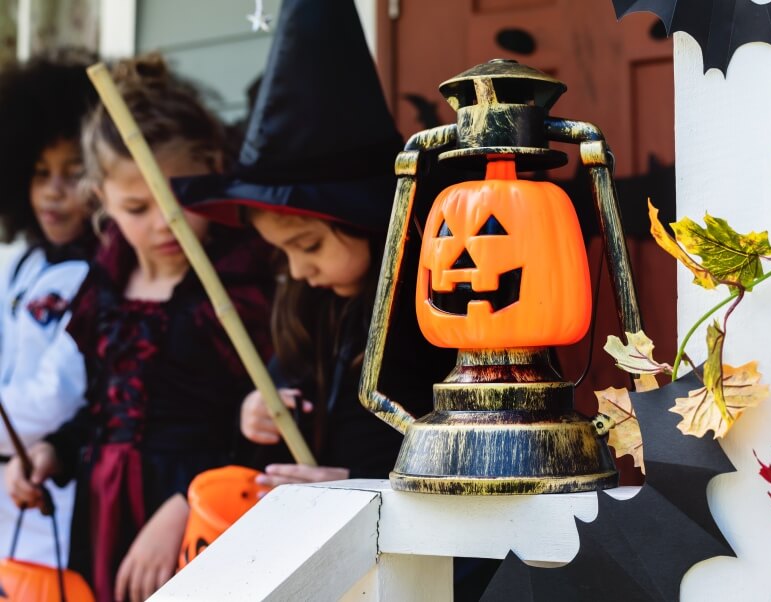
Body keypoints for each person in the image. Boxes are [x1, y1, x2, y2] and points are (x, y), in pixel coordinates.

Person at [6, 54, 273, 602]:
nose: (163, 223)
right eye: (136, 206)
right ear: (100, 202)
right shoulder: (103, 289)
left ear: (213, 169)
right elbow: (105, 408)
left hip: (200, 515)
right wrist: (53, 449)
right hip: (104, 510)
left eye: (182, 199)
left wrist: (180, 506)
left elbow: (260, 422)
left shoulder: (235, 288)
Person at [174, 0, 450, 488]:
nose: (298, 271)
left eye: (308, 246)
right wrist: (256, 416)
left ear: (369, 222)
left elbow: (461, 457)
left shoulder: (439, 316)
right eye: (284, 253)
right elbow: (279, 429)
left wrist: (352, 482)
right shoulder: (309, 308)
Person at [0, 49, 98, 568]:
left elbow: (57, 395)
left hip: (52, 485)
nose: (53, 192)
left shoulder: (95, 275)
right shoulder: (25, 263)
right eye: (40, 173)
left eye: (72, 173)